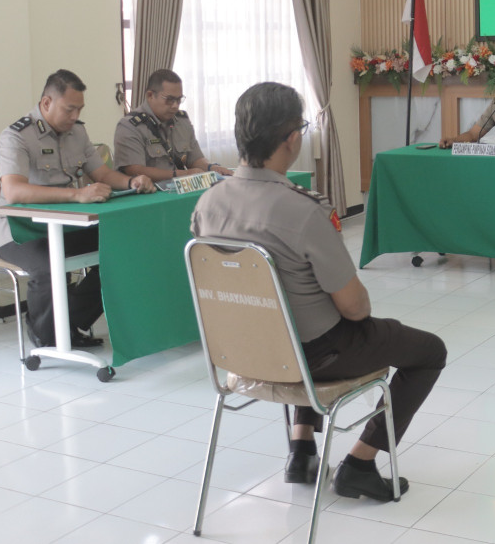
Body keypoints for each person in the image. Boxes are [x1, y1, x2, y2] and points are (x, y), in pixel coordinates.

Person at [191, 82, 446, 499]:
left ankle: (302, 449)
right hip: (312, 357)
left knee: (292, 319)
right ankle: (361, 462)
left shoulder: (207, 204)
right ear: (293, 139)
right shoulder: (303, 211)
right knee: (429, 351)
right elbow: (355, 309)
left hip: (237, 353)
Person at [0, 69, 156, 349]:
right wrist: (77, 194)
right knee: (48, 266)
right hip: (18, 232)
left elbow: (102, 174)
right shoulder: (16, 136)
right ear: (46, 103)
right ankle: (48, 340)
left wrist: (131, 181)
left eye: (79, 109)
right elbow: (13, 191)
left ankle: (71, 321)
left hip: (68, 225)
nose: (75, 116)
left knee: (123, 247)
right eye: (69, 109)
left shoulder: (77, 132)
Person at [114, 69, 233, 182]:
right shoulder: (130, 126)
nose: (175, 106)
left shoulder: (182, 121)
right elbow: (135, 171)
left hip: (179, 191)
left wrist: (211, 168)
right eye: (170, 100)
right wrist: (182, 174)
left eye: (179, 100)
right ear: (150, 95)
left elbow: (195, 159)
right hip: (147, 195)